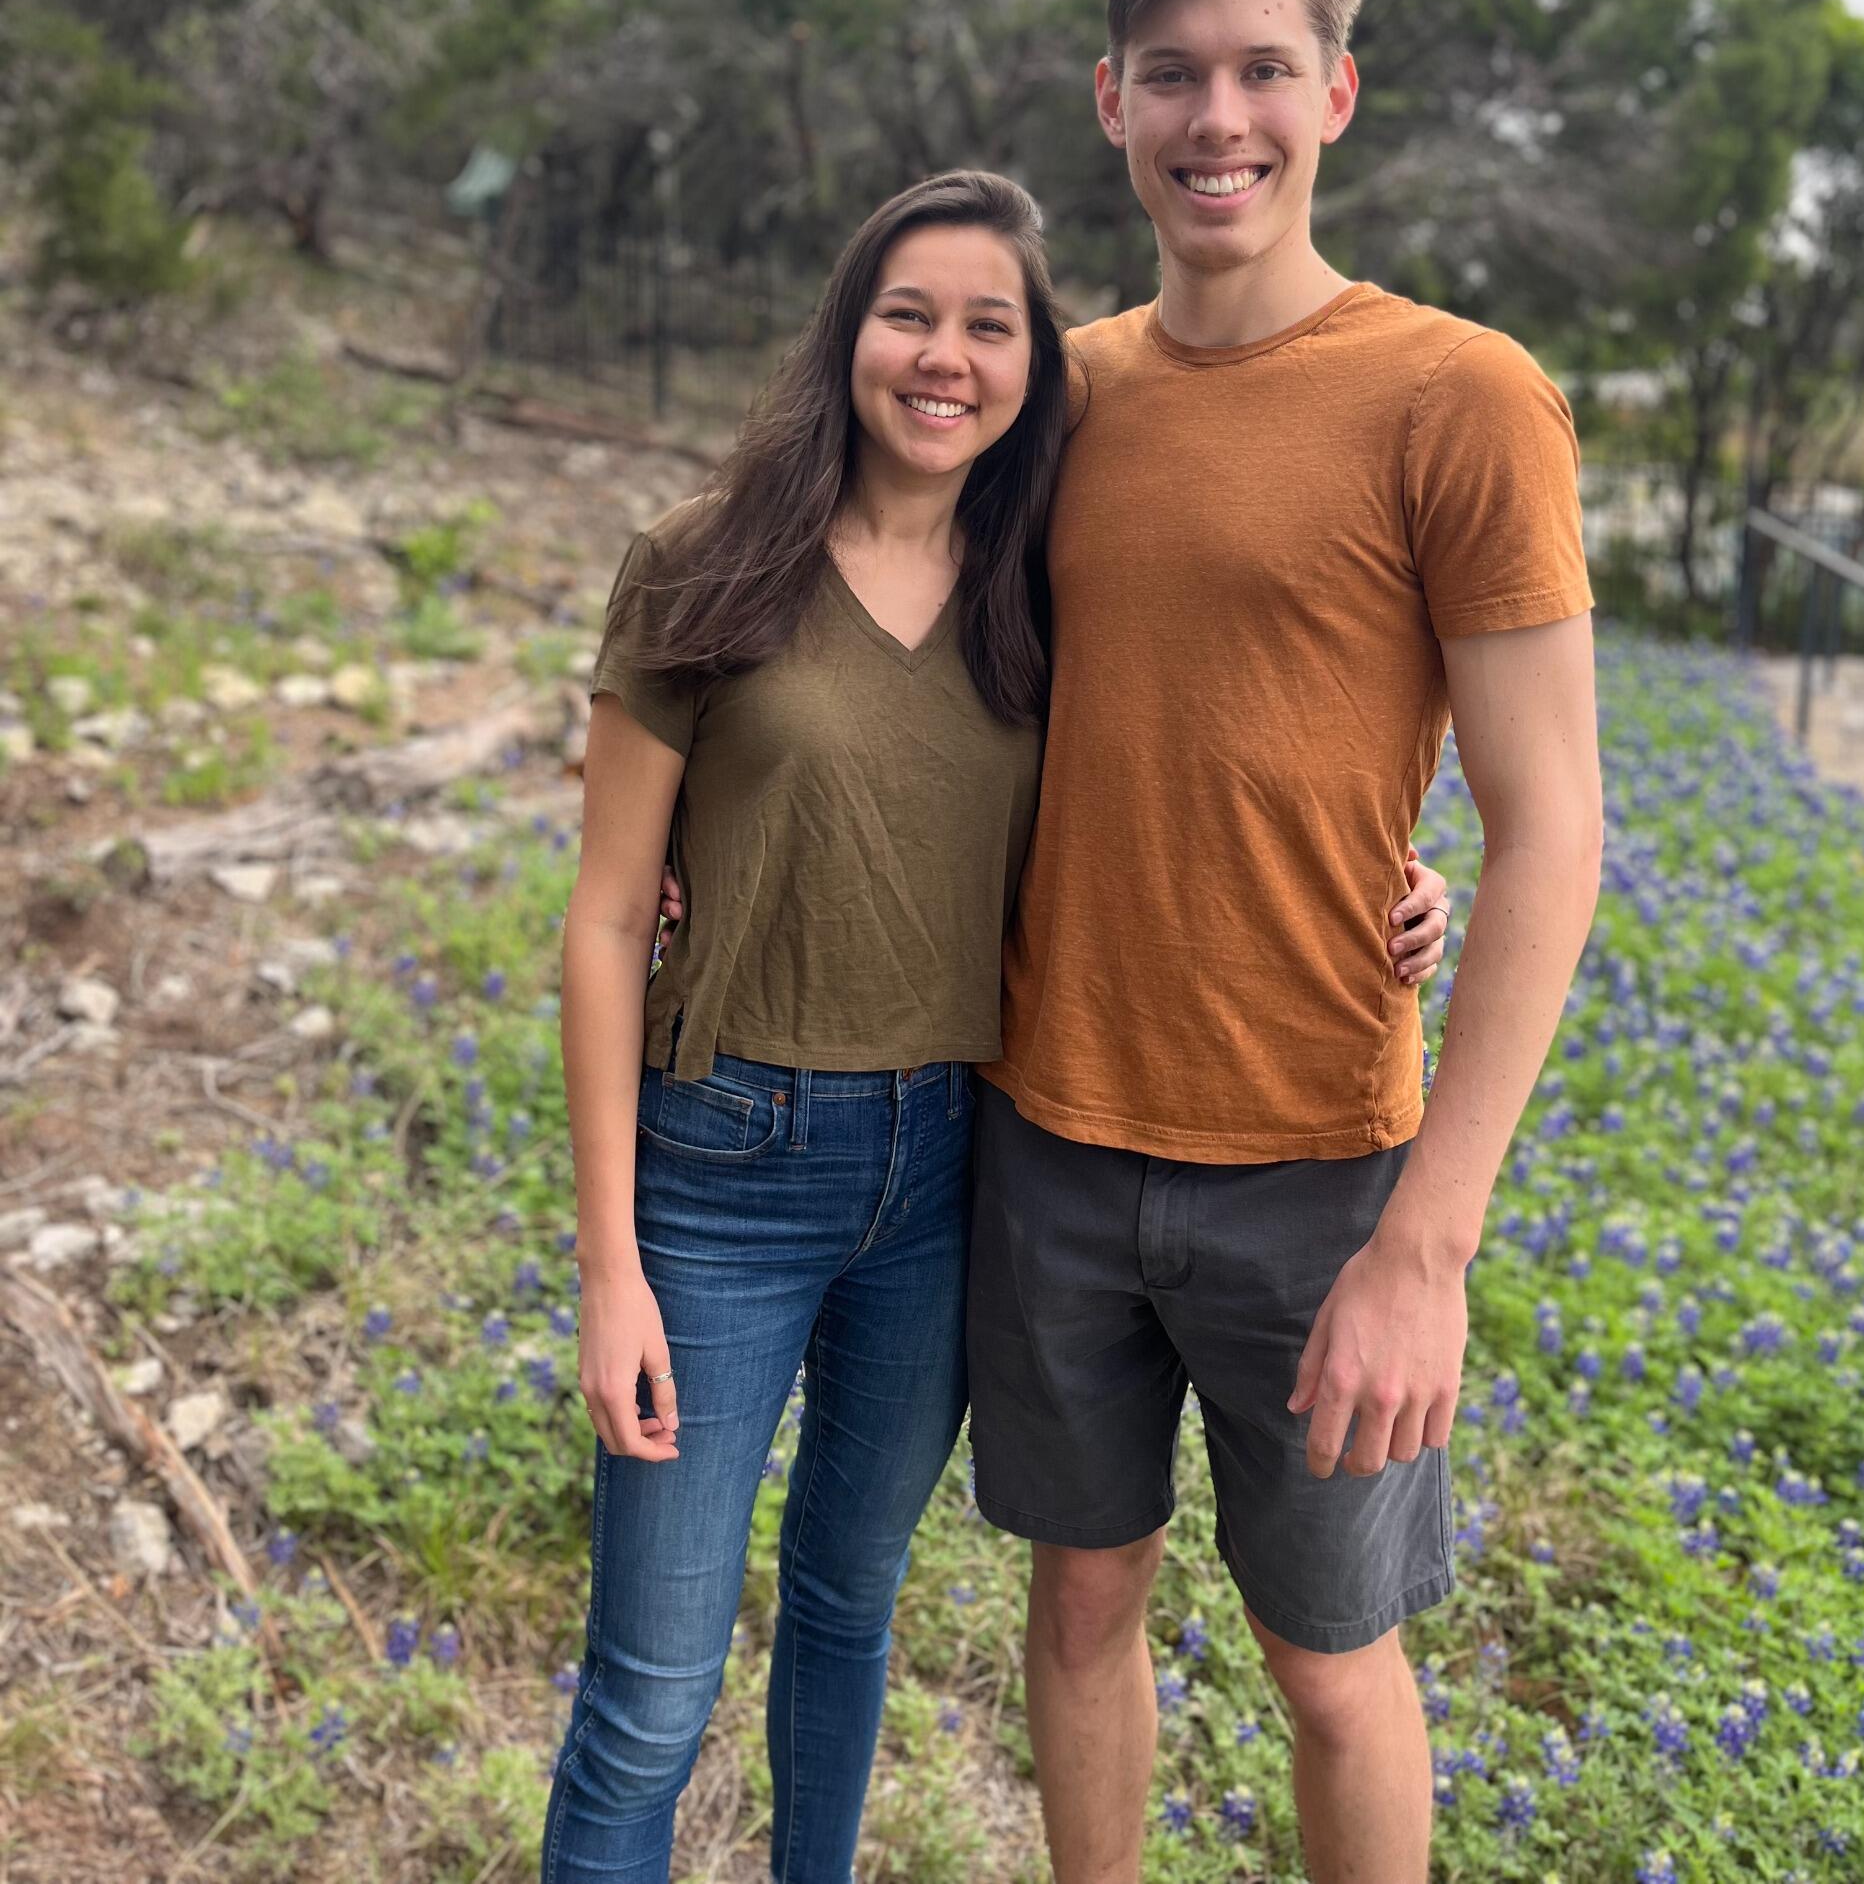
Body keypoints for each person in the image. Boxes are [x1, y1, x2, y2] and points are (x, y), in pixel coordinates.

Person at [540, 166, 1454, 1884]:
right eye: (908, 314)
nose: (942, 357)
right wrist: (610, 1265)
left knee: (844, 1620)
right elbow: (602, 917)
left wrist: (1386, 881)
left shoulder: (1040, 575)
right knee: (654, 1695)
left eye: (987, 325)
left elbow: (1197, 758)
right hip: (724, 1166)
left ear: (1036, 363)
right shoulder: (703, 562)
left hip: (953, 1165)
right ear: (847, 335)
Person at [965, 0, 1604, 1884]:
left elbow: (1553, 824)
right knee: (1075, 1608)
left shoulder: (1455, 393)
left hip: (1322, 1163)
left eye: (1257, 70)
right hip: (1049, 1125)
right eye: (1171, 74)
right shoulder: (1046, 393)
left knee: (1328, 1658)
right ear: (1108, 100)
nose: (1212, 116)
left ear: (1331, 93)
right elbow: (902, 678)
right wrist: (676, 854)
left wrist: (1426, 1243)